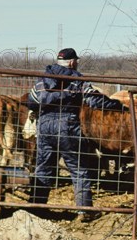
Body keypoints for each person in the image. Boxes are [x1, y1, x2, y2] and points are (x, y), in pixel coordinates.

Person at [28, 48, 124, 221]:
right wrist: (118, 106)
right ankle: (84, 210)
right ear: (72, 62)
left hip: (44, 125)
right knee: (78, 168)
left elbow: (32, 101)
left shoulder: (42, 80)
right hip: (67, 125)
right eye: (76, 61)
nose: (77, 63)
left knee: (43, 167)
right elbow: (93, 100)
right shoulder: (76, 79)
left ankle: (37, 208)